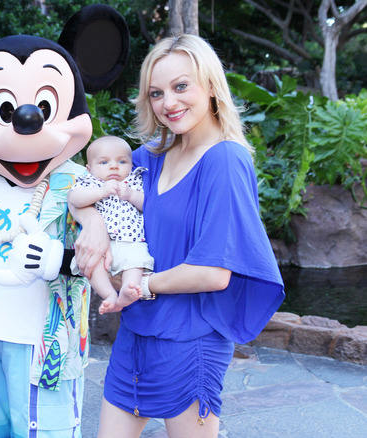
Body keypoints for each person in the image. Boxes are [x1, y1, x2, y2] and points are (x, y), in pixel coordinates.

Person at [72, 35, 284, 438]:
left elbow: (213, 273)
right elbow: (83, 189)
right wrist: (95, 225)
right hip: (135, 332)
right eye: (156, 92)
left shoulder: (225, 160)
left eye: (181, 86)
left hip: (191, 339)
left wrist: (141, 285)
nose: (168, 103)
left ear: (210, 86)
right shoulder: (147, 158)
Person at [68, 135, 153, 314]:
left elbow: (149, 206)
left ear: (131, 165)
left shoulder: (134, 182)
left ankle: (126, 291)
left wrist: (131, 195)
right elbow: (75, 198)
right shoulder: (90, 182)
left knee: (136, 262)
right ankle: (108, 295)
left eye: (122, 161)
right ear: (89, 168)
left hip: (131, 240)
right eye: (104, 162)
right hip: (99, 244)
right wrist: (100, 192)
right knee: (92, 266)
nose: (114, 166)